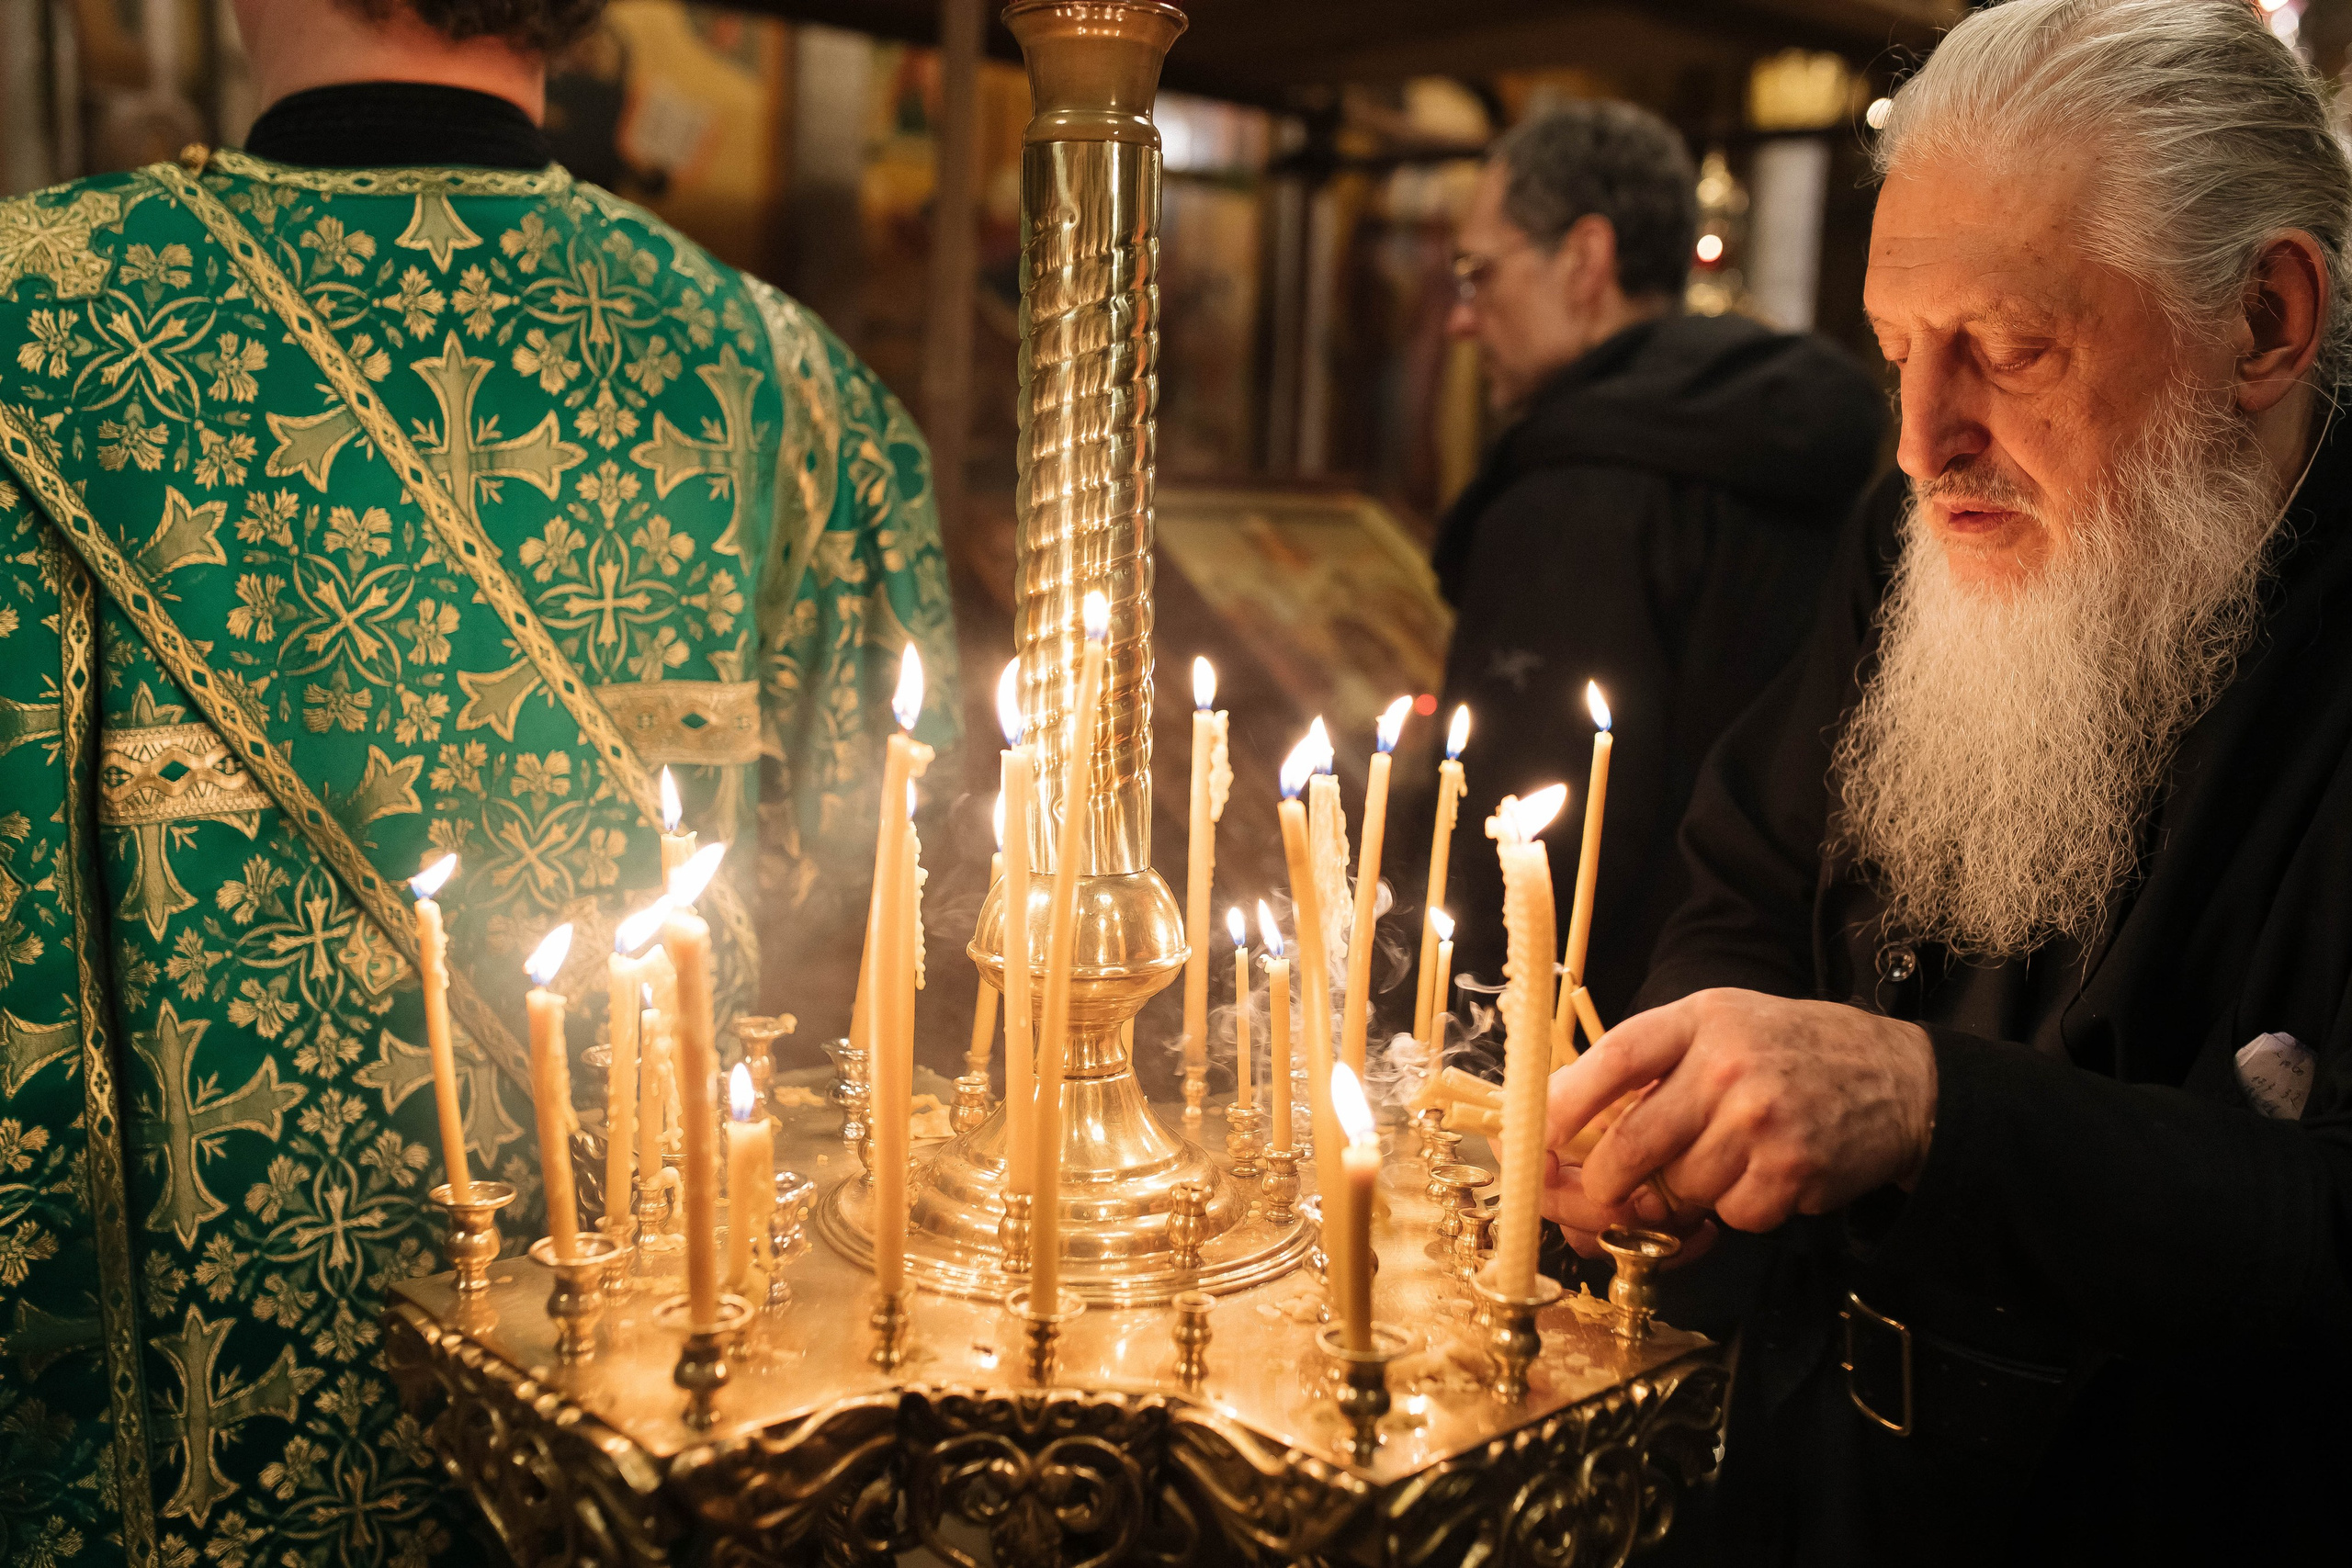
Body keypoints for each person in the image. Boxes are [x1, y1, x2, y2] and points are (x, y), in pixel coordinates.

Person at [0, 3, 955, 1564]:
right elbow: (884, 1005)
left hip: (200, 1478)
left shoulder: (40, 325)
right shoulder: (796, 394)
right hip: (668, 1456)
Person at [1541, 2, 2352, 1561]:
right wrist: (1692, 1104)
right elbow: (1755, 880)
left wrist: (1925, 1105)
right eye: (1900, 346)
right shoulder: (1913, 537)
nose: (1922, 441)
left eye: (2013, 346)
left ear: (2263, 323)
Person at [1428, 102, 1884, 1029]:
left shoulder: (1576, 488)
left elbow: (1523, 856)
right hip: (1777, 1016)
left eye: (1479, 274)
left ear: (1585, 260)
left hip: (1593, 1054)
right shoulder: (1784, 441)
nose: (1461, 322)